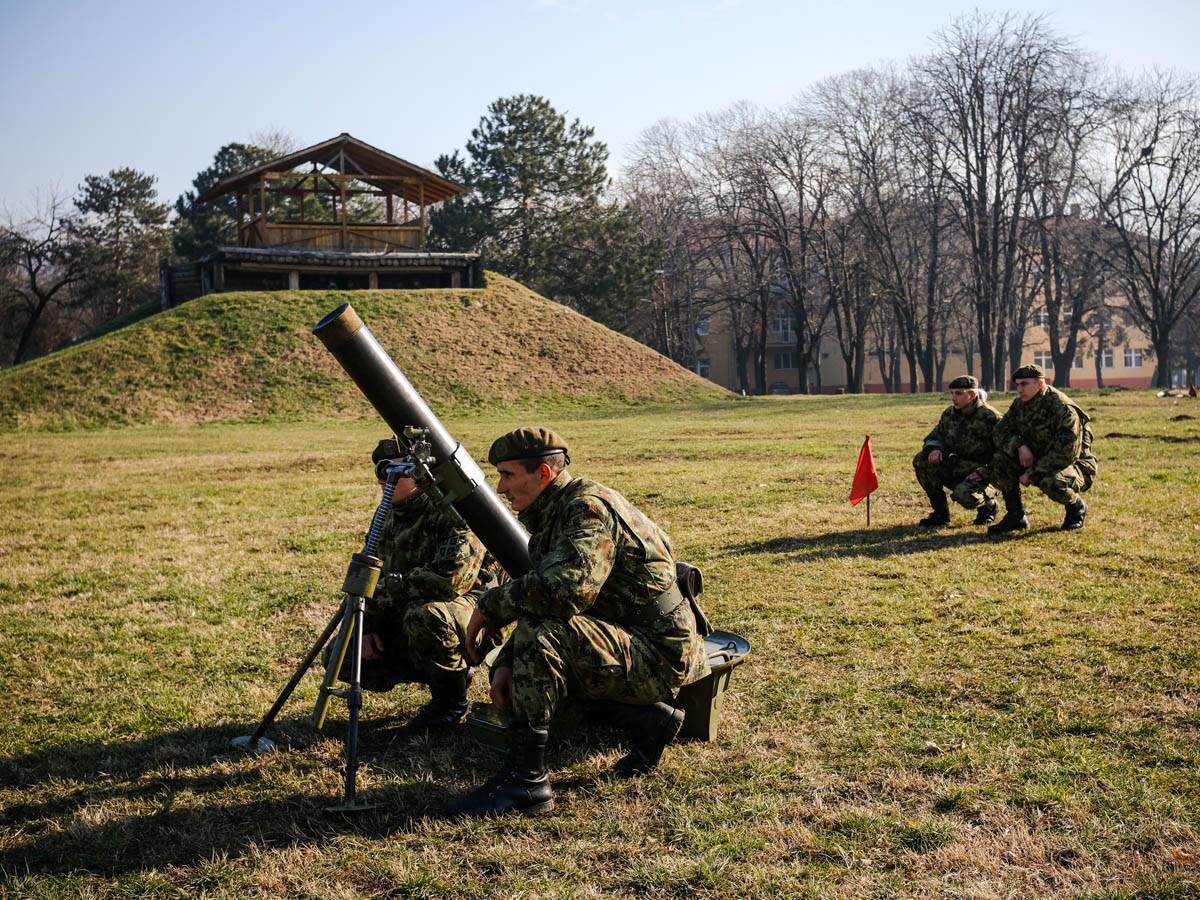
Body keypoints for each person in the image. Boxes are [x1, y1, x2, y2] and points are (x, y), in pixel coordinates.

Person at [447, 427, 710, 817]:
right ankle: (646, 720)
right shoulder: (557, 510)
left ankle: (526, 782)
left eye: (507, 475)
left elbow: (564, 593)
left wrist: (490, 606)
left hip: (659, 654)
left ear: (543, 474)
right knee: (533, 665)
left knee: (543, 639)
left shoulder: (586, 510)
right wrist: (506, 662)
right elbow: (552, 602)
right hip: (630, 638)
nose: (500, 488)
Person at [351, 438, 494, 729]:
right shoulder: (388, 515)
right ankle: (436, 671)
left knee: (426, 616)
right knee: (343, 652)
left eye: (400, 470)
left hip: (472, 612)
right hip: (409, 605)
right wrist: (369, 624)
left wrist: (389, 589)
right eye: (383, 470)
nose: (388, 478)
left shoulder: (453, 511)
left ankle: (451, 700)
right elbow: (371, 572)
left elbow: (449, 582)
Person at [988, 365, 1098, 534]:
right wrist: (1020, 446)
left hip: (1074, 464)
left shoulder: (1062, 407)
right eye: (1017, 384)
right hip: (1037, 458)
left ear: (1040, 384)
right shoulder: (1020, 404)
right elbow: (999, 431)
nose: (1019, 389)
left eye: (1024, 384)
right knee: (999, 461)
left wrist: (1031, 474)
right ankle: (1016, 516)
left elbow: (1066, 454)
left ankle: (1076, 507)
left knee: (1051, 482)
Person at [912, 375, 1001, 528]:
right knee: (922, 460)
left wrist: (985, 472)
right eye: (952, 393)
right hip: (959, 463)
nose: (954, 398)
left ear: (972, 395)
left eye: (959, 393)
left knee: (964, 495)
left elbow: (1004, 452)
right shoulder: (950, 414)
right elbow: (936, 436)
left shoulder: (990, 417)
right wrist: (936, 449)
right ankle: (940, 514)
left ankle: (989, 505)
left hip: (983, 469)